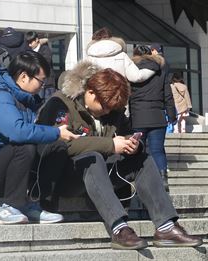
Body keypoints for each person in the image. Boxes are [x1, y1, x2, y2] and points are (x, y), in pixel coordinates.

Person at [36, 63, 202, 250]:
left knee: (142, 159)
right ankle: (119, 228)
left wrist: (134, 144)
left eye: (111, 108)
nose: (107, 111)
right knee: (93, 158)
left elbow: (126, 133)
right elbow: (54, 145)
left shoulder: (113, 110)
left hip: (102, 176)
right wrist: (110, 145)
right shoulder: (60, 103)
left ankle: (166, 227)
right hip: (66, 177)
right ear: (90, 92)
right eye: (104, 106)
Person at [0, 51, 76, 224]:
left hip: (2, 168)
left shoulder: (23, 99)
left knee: (54, 148)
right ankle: (10, 208)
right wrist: (56, 132)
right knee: (24, 147)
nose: (42, 86)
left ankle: (34, 203)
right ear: (24, 77)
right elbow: (17, 132)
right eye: (41, 81)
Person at [130, 44, 175, 182]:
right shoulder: (161, 71)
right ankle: (163, 180)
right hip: (157, 117)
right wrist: (171, 115)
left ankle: (140, 180)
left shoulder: (131, 71)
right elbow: (167, 95)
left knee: (137, 150)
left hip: (138, 117)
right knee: (157, 150)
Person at [85, 27, 155, 83]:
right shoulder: (122, 56)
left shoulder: (88, 59)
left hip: (96, 97)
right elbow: (136, 77)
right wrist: (153, 69)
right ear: (112, 39)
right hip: (118, 97)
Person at [26, 31, 55, 100]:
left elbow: (45, 63)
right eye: (28, 43)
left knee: (48, 104)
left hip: (47, 83)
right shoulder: (30, 51)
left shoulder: (45, 49)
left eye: (31, 42)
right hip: (36, 83)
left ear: (36, 40)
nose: (30, 45)